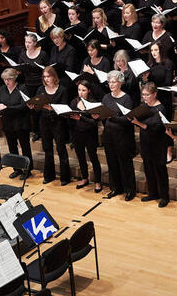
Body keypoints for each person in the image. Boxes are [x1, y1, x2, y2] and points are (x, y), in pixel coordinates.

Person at [31, 66, 72, 185]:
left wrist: (52, 108)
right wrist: (34, 107)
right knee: (47, 149)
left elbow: (64, 109)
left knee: (61, 149)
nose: (47, 79)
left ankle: (65, 177)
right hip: (44, 122)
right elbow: (37, 108)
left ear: (54, 77)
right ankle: (49, 175)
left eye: (48, 76)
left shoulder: (62, 90)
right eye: (44, 77)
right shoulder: (40, 90)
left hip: (58, 123)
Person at [131, 83, 170, 207]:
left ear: (154, 94)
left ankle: (164, 197)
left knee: (160, 171)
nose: (145, 97)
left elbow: (156, 127)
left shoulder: (160, 108)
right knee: (148, 169)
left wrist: (138, 123)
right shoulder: (144, 106)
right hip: (146, 142)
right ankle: (153, 193)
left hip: (158, 143)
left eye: (147, 95)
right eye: (143, 95)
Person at [102, 70, 137, 200]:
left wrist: (113, 117)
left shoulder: (126, 98)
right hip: (109, 135)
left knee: (125, 164)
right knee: (112, 163)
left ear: (120, 83)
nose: (111, 84)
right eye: (109, 82)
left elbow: (127, 120)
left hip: (123, 137)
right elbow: (104, 117)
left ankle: (130, 190)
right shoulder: (106, 97)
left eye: (114, 82)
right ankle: (115, 188)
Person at [0, 68, 33, 177]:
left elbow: (24, 105)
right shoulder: (2, 89)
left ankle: (27, 170)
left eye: (9, 79)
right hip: (8, 122)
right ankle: (17, 169)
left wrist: (8, 108)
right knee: (12, 147)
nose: (7, 82)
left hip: (21, 122)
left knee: (25, 147)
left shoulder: (22, 88)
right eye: (5, 79)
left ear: (14, 78)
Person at [69, 80, 103, 192]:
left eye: (83, 90)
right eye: (79, 90)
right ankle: (84, 178)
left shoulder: (93, 104)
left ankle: (98, 182)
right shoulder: (74, 102)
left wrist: (81, 118)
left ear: (89, 91)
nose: (81, 92)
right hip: (77, 134)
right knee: (81, 158)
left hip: (90, 135)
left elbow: (95, 122)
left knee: (93, 158)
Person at [19, 33, 49, 139]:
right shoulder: (22, 54)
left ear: (35, 43)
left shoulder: (43, 54)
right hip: (28, 85)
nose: (27, 44)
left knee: (39, 108)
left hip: (40, 85)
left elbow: (47, 69)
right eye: (26, 42)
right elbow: (20, 69)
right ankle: (35, 131)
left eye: (29, 42)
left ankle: (43, 132)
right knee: (31, 109)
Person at [0, 32, 23, 96]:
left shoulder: (14, 49)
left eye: (2, 38)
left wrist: (7, 64)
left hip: (11, 75)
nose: (0, 40)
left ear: (7, 38)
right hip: (0, 76)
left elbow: (18, 64)